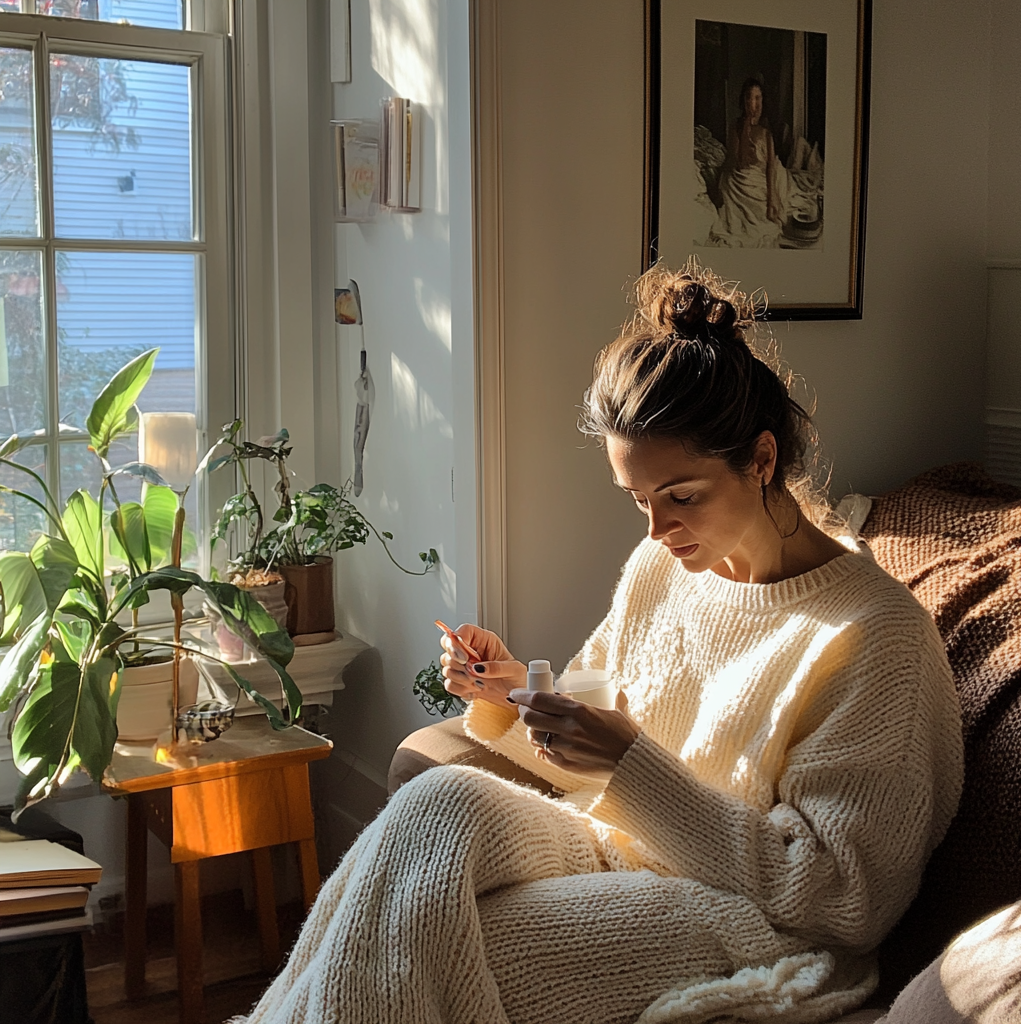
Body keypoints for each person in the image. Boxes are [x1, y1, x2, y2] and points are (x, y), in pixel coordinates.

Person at [238, 263, 963, 1024]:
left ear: (761, 459)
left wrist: (629, 765)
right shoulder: (663, 566)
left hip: (751, 921)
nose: (655, 529)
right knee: (435, 803)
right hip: (611, 848)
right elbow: (590, 738)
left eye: (681, 496)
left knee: (441, 943)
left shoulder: (873, 639)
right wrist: (514, 692)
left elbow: (845, 901)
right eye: (638, 500)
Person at [708, 78, 790, 248]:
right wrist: (746, 128)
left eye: (757, 98)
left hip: (759, 177)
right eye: (748, 98)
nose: (753, 103)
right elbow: (736, 161)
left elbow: (770, 167)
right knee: (728, 185)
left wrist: (772, 199)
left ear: (762, 101)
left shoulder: (766, 131)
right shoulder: (735, 127)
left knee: (777, 188)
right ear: (743, 101)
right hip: (738, 177)